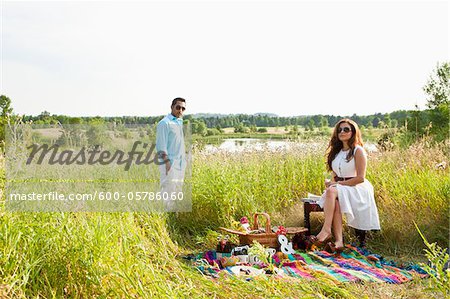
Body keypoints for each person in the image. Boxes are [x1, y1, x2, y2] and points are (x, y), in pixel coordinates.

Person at [310, 118, 380, 252]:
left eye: (346, 129)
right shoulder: (337, 152)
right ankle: (339, 241)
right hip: (341, 186)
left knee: (331, 191)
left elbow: (360, 178)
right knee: (334, 199)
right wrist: (331, 182)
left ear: (353, 132)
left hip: (356, 187)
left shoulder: (358, 151)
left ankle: (326, 230)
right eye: (339, 130)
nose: (342, 132)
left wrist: (336, 184)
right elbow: (335, 174)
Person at [156, 97, 186, 211]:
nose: (180, 111)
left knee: (177, 191)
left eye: (183, 108)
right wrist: (167, 164)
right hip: (169, 164)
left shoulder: (179, 122)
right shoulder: (164, 123)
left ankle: (175, 218)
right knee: (168, 192)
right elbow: (161, 146)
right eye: (178, 107)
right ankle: (166, 218)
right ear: (172, 107)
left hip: (180, 164)